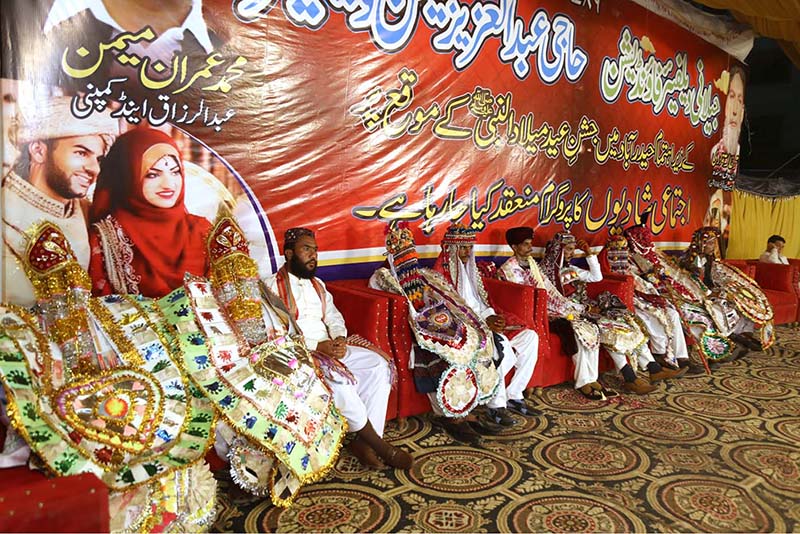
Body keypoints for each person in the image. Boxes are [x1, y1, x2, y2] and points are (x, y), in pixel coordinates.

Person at [266, 228, 413, 470]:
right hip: (298, 352)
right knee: (339, 381)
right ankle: (379, 446)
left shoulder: (318, 285)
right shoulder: (271, 286)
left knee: (378, 366)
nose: (313, 255)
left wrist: (339, 339)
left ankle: (365, 443)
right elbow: (275, 332)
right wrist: (317, 346)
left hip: (329, 346)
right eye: (306, 249)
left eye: (315, 250)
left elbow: (334, 317)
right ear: (289, 253)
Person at [370, 224, 503, 443]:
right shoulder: (382, 277)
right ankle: (450, 416)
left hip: (438, 326)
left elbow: (439, 300)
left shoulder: (423, 275)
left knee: (470, 345)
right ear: (392, 254)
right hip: (412, 333)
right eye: (402, 253)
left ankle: (465, 409)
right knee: (441, 357)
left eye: (410, 252)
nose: (408, 258)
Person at [1, 95, 117, 307]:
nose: (94, 169)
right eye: (81, 153)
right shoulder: (5, 211)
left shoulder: (89, 212)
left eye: (98, 159)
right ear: (38, 151)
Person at [539, 231, 685, 393]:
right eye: (568, 249)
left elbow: (596, 277)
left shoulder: (571, 269)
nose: (571, 253)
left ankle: (653, 368)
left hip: (586, 309)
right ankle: (630, 377)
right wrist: (584, 309)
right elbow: (553, 301)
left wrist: (589, 254)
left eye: (573, 249)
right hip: (566, 313)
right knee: (608, 329)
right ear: (558, 249)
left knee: (626, 324)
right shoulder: (545, 273)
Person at [432, 224, 539, 425]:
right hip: (465, 328)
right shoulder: (440, 275)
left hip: (484, 321)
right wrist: (484, 323)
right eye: (462, 248)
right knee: (500, 346)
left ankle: (514, 394)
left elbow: (483, 302)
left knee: (530, 338)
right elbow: (446, 312)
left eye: (469, 247)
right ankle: (496, 407)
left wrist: (493, 317)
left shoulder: (470, 269)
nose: (467, 252)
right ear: (451, 248)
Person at [88, 127, 212, 298]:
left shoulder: (202, 231)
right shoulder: (104, 239)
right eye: (153, 175)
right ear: (127, 177)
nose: (169, 184)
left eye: (175, 172)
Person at [498, 227, 616, 400]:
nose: (530, 248)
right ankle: (583, 381)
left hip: (549, 309)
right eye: (525, 244)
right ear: (514, 247)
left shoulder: (532, 264)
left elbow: (549, 291)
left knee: (589, 327)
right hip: (531, 314)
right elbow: (523, 298)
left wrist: (571, 307)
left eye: (530, 244)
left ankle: (592, 378)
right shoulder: (509, 269)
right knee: (576, 330)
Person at [624, 222, 737, 364]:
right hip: (654, 296)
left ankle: (711, 353)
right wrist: (654, 278)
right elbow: (640, 281)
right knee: (690, 316)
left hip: (674, 293)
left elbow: (675, 273)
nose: (647, 243)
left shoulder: (655, 255)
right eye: (642, 240)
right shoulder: (631, 258)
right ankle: (685, 358)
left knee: (705, 314)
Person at [598, 229, 703, 376]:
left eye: (623, 251)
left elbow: (646, 275)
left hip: (643, 297)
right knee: (652, 318)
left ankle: (682, 358)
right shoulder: (605, 268)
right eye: (616, 252)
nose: (620, 255)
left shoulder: (633, 261)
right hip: (625, 303)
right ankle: (660, 356)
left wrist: (654, 275)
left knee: (672, 313)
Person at [679, 226, 774, 351]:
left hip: (710, 292)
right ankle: (732, 336)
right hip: (697, 296)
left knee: (743, 303)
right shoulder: (689, 261)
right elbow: (693, 284)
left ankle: (745, 335)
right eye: (711, 244)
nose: (713, 247)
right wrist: (711, 293)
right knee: (722, 306)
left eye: (714, 244)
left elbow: (713, 279)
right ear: (702, 244)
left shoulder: (710, 259)